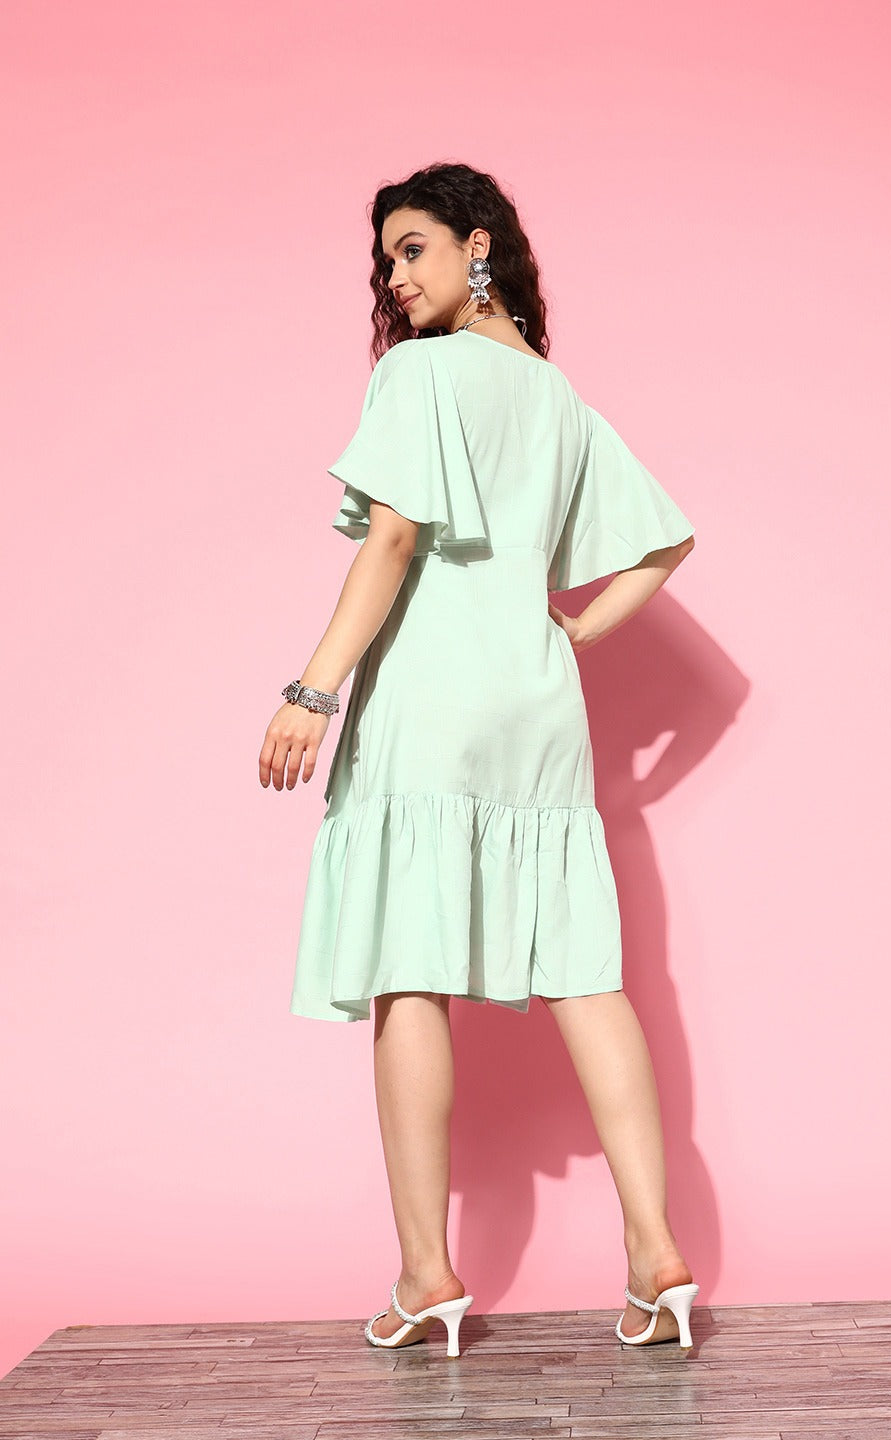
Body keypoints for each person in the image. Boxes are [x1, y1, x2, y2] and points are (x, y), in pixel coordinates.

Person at [259, 163, 699, 1354]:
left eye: (413, 249)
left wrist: (313, 689)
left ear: (479, 245)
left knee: (410, 971)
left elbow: (394, 537)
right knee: (584, 972)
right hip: (539, 708)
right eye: (385, 262)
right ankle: (656, 1252)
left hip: (432, 700)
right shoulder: (557, 398)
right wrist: (575, 631)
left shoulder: (419, 374)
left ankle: (426, 1275)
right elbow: (664, 543)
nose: (396, 279)